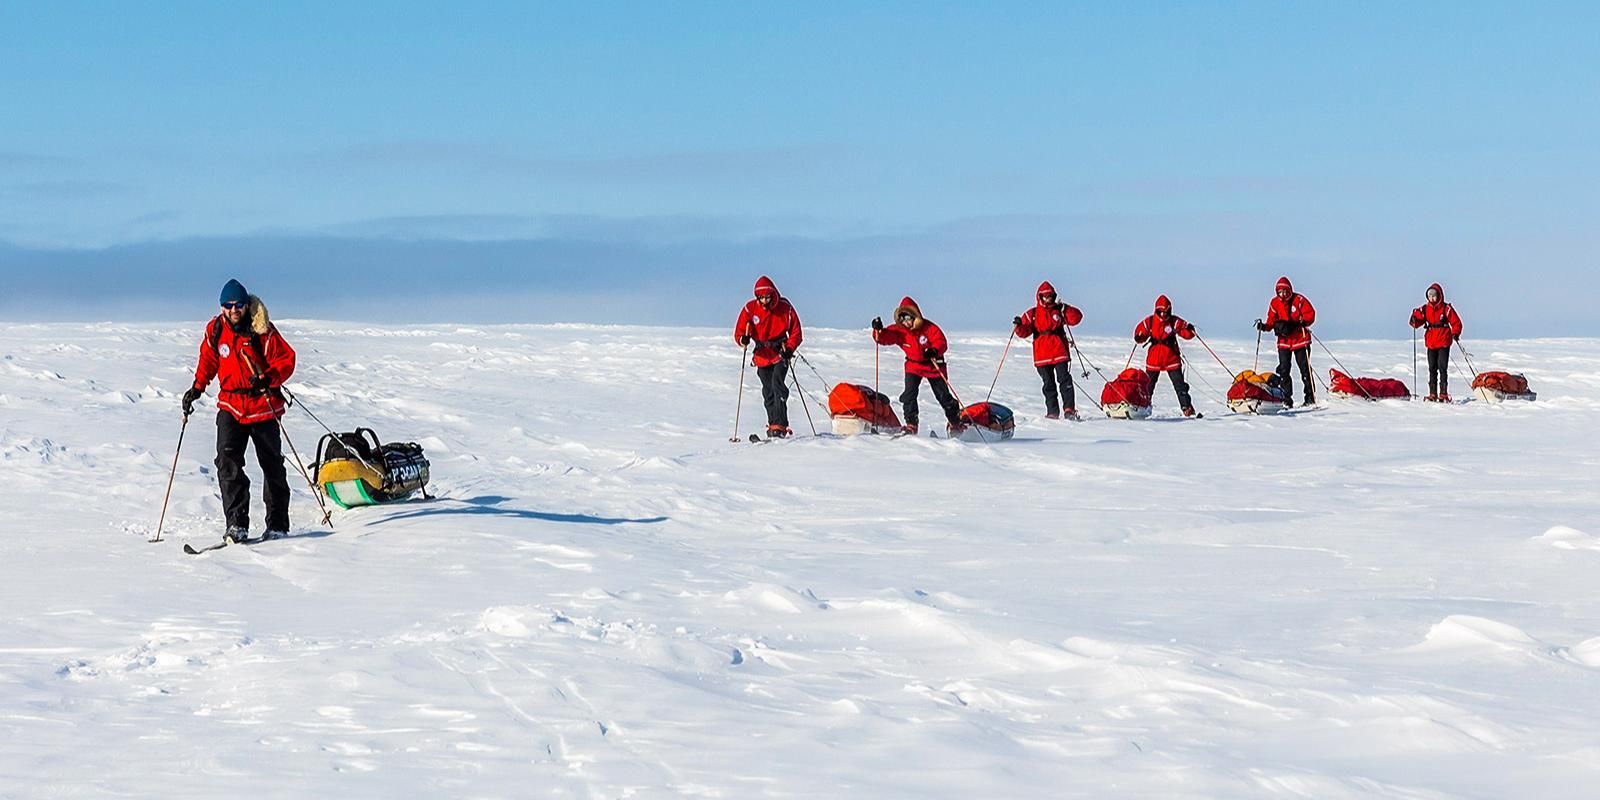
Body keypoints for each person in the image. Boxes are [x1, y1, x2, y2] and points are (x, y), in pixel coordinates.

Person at [181, 279, 297, 543]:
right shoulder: (215, 331)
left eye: (239, 305)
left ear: (247, 305)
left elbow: (286, 360)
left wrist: (268, 377)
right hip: (231, 407)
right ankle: (236, 524)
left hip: (262, 408)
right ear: (222, 307)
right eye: (228, 305)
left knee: (272, 466)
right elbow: (208, 361)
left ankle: (277, 524)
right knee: (227, 463)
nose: (234, 310)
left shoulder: (262, 330)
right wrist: (196, 389)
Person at [872, 297, 964, 434]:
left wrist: (934, 350)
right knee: (909, 394)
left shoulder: (929, 327)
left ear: (915, 316)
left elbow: (941, 342)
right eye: (902, 320)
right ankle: (911, 424)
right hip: (913, 366)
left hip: (933, 365)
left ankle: (956, 422)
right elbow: (884, 337)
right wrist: (878, 330)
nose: (906, 323)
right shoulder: (900, 331)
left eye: (908, 319)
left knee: (943, 396)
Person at [734, 275, 804, 437]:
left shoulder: (785, 308)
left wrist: (790, 349)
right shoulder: (749, 309)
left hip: (781, 353)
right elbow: (739, 332)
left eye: (767, 297)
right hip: (761, 356)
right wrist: (743, 339)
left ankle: (780, 425)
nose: (764, 301)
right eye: (761, 298)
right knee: (768, 391)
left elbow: (796, 332)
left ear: (773, 295)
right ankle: (773, 424)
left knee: (777, 384)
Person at [1012, 281, 1084, 419]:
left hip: (1059, 352)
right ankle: (1052, 413)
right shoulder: (1032, 313)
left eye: (1050, 296)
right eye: (1045, 296)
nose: (1048, 298)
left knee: (1064, 380)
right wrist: (1018, 326)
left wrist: (1065, 308)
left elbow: (1077, 318)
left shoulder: (1059, 310)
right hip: (1042, 355)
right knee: (1048, 385)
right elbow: (1024, 332)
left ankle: (1069, 410)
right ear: (1040, 297)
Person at [1255, 276, 1317, 407]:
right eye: (1279, 292)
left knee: (1305, 369)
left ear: (1289, 290)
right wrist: (1264, 327)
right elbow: (1271, 321)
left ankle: (1310, 398)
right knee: (1284, 370)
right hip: (1284, 342)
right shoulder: (1274, 303)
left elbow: (1310, 314)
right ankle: (1286, 399)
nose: (1282, 294)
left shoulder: (1299, 300)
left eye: (1284, 291)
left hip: (1300, 340)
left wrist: (1299, 322)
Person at [1133, 295, 1197, 416]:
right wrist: (1139, 337)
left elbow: (1187, 334)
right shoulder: (1150, 321)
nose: (1163, 315)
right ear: (1156, 309)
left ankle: (1187, 408)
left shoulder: (1174, 321)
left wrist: (1190, 329)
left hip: (1171, 358)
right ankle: (1143, 407)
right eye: (1160, 312)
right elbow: (1139, 333)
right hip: (1154, 360)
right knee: (1148, 387)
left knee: (1180, 386)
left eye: (1166, 312)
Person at [1408, 282, 1463, 402]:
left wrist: (1455, 333)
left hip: (1443, 341)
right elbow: (1417, 321)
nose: (1432, 298)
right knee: (1432, 368)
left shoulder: (1446, 308)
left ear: (1439, 296)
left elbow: (1456, 322)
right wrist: (1414, 319)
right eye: (1430, 296)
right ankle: (1432, 393)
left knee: (1442, 367)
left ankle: (1443, 393)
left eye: (1434, 296)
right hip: (1431, 342)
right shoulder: (1425, 309)